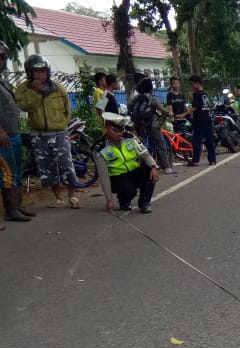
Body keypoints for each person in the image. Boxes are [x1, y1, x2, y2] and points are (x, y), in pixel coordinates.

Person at [15, 54, 82, 209]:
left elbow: (67, 109)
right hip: (39, 135)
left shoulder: (58, 88)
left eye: (43, 72)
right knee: (47, 167)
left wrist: (62, 124)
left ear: (48, 72)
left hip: (59, 134)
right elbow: (25, 106)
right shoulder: (23, 89)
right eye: (36, 72)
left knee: (66, 165)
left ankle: (72, 196)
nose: (40, 75)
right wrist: (35, 92)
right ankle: (58, 198)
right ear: (29, 73)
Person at [94, 112, 160, 214]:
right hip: (117, 177)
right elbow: (104, 176)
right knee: (129, 190)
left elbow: (144, 154)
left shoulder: (130, 137)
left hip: (134, 170)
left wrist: (153, 166)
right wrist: (109, 200)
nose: (119, 134)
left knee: (149, 170)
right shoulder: (99, 148)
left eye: (121, 130)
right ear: (106, 128)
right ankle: (124, 201)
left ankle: (145, 203)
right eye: (115, 130)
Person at [1, 40, 36, 227]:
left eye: (2, 56)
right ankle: (11, 210)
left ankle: (18, 205)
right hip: (3, 136)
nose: (1, 60)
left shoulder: (3, 81)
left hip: (13, 132)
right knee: (7, 173)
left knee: (17, 171)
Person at [131, 77, 173, 174]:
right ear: (151, 88)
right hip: (152, 124)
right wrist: (170, 114)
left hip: (139, 124)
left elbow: (130, 108)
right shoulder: (152, 98)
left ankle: (142, 166)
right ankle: (166, 167)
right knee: (160, 143)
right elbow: (162, 109)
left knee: (140, 145)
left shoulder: (135, 98)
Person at [186, 74, 216, 166]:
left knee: (196, 141)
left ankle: (195, 160)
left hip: (199, 120)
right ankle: (212, 160)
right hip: (207, 119)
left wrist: (184, 114)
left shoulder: (196, 94)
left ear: (197, 83)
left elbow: (195, 107)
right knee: (209, 140)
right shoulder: (204, 94)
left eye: (192, 84)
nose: (191, 86)